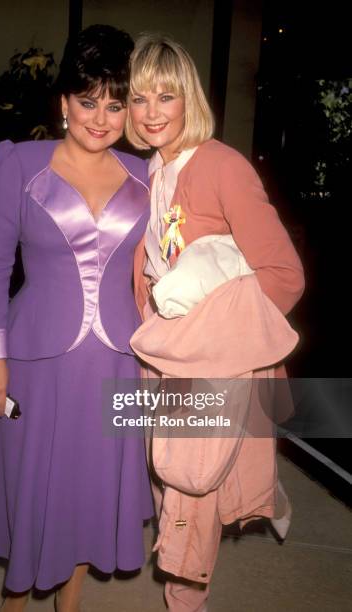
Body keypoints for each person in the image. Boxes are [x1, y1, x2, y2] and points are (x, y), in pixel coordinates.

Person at [0, 25, 153, 612]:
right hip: (33, 362)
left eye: (116, 104)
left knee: (91, 491)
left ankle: (71, 603)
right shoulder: (18, 163)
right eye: (88, 100)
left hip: (118, 362)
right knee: (29, 487)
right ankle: (11, 603)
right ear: (64, 102)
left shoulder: (146, 177)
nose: (101, 117)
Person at [126, 34, 305, 611]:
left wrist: (209, 338)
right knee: (168, 482)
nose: (151, 113)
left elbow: (283, 275)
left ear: (190, 99)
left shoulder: (222, 165)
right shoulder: (151, 169)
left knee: (188, 494)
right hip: (162, 357)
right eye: (137, 98)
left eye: (165, 97)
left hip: (205, 364)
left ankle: (184, 604)